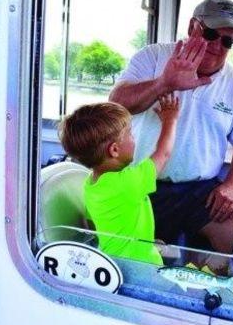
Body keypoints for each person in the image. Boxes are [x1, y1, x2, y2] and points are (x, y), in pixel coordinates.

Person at [109, 0, 233, 255]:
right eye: (211, 34)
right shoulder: (153, 57)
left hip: (199, 191)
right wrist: (164, 83)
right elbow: (116, 104)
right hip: (140, 181)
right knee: (123, 252)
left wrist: (232, 187)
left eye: (227, 41)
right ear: (193, 27)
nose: (217, 46)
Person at [60, 97, 180, 265]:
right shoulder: (126, 183)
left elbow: (93, 223)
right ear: (114, 150)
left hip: (113, 260)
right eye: (130, 133)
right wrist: (170, 120)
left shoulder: (91, 183)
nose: (134, 137)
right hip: (140, 265)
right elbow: (163, 154)